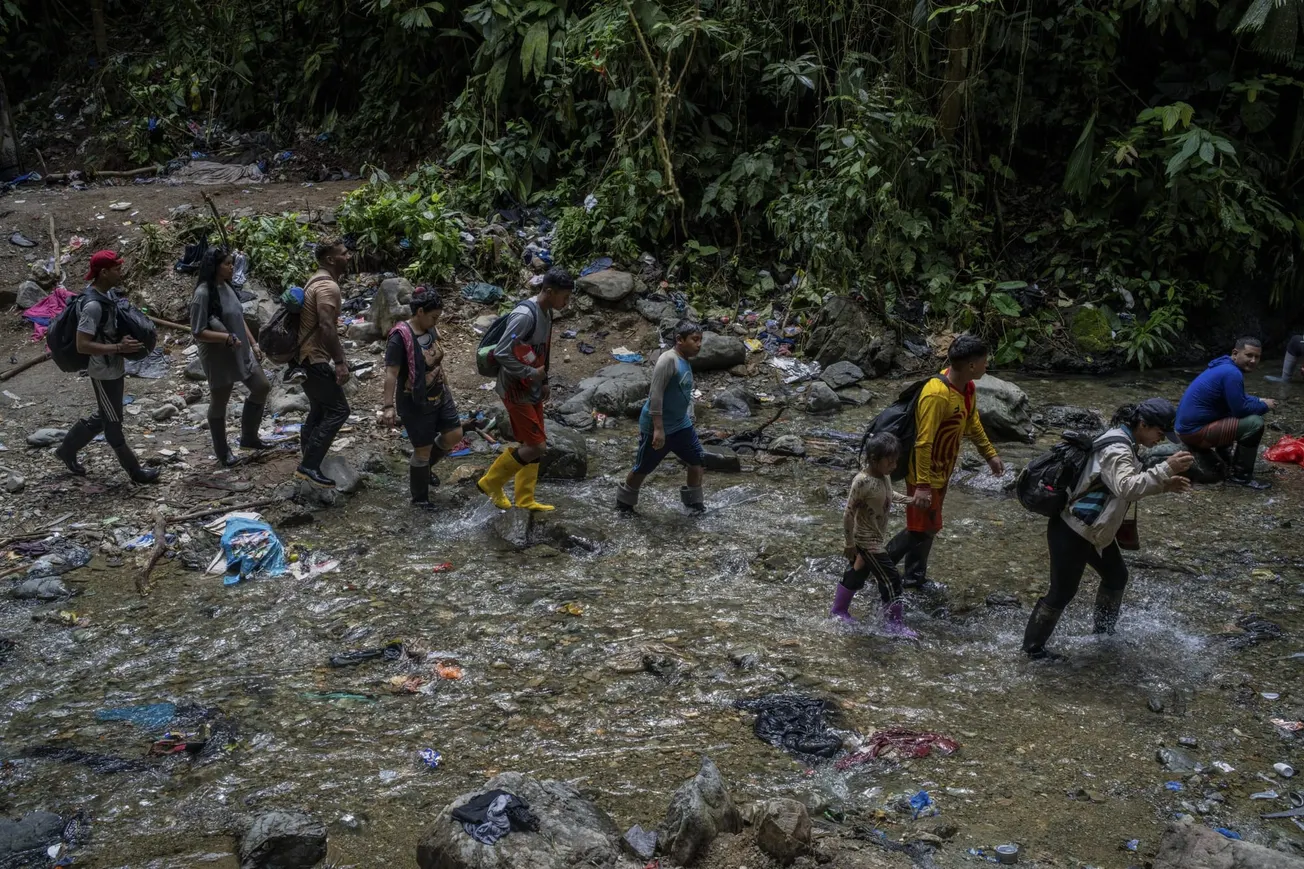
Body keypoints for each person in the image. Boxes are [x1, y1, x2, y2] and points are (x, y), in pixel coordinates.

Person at [1022, 399, 1193, 660]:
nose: (1162, 440)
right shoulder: (1117, 448)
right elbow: (1127, 487)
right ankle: (1032, 650)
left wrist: (1164, 485)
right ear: (1143, 424)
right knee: (1062, 591)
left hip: (1093, 530)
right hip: (1074, 530)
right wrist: (1166, 468)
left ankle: (1103, 636)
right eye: (1160, 433)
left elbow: (1120, 487)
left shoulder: (1123, 440)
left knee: (1116, 577)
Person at [886, 334, 1004, 588]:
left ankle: (914, 577)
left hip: (943, 471)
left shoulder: (967, 387)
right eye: (984, 362)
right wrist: (922, 485)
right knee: (921, 528)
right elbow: (923, 442)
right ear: (971, 366)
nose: (987, 366)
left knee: (928, 527)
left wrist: (990, 455)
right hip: (924, 473)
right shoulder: (937, 395)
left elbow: (972, 422)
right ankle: (878, 564)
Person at [54, 250, 159, 484]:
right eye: (117, 269)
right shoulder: (92, 306)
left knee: (106, 415)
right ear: (104, 272)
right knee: (113, 424)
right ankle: (135, 472)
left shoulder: (107, 294)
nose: (121, 273)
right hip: (102, 371)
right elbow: (83, 345)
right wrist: (119, 348)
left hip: (114, 367)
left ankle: (66, 450)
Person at [477, 267, 574, 512]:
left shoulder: (548, 312)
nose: (568, 301)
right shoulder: (525, 315)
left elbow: (543, 349)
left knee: (533, 440)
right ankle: (491, 482)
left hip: (531, 386)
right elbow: (501, 352)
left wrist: (543, 381)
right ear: (549, 291)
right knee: (537, 445)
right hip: (514, 388)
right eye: (565, 296)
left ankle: (525, 499)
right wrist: (531, 374)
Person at [380, 287, 463, 507]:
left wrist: (446, 387)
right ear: (420, 312)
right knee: (422, 450)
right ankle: (420, 499)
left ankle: (425, 470)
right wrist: (388, 407)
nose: (436, 322)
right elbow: (391, 373)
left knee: (454, 434)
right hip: (415, 401)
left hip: (439, 392)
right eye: (434, 317)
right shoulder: (400, 338)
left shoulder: (430, 329)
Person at [189, 247, 271, 467]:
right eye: (227, 263)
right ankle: (222, 451)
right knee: (220, 401)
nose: (231, 267)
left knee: (261, 386)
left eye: (231, 263)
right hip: (218, 354)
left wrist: (254, 343)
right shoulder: (203, 294)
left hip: (240, 348)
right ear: (215, 267)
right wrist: (224, 338)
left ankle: (249, 438)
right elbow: (198, 331)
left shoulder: (228, 286)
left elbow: (238, 316)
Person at [832, 432, 918, 637]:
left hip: (876, 537)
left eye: (896, 461)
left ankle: (838, 611)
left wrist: (910, 500)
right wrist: (849, 543)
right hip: (865, 539)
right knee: (891, 578)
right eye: (890, 462)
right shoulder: (861, 481)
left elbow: (888, 494)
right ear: (873, 459)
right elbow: (848, 513)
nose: (894, 466)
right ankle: (894, 625)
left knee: (858, 572)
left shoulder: (884, 476)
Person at [615, 320, 706, 514]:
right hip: (658, 425)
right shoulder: (668, 360)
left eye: (700, 340)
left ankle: (694, 505)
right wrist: (658, 428)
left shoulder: (685, 360)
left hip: (681, 424)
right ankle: (624, 504)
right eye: (695, 340)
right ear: (679, 340)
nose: (699, 344)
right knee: (643, 467)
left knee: (696, 460)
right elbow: (655, 395)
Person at [1174, 337, 1277, 490]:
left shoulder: (1224, 365)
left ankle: (1225, 459)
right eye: (1249, 355)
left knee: (1237, 414)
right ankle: (1241, 477)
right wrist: (1264, 405)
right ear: (1235, 353)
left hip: (1185, 428)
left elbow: (1236, 399)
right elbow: (1240, 409)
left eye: (1257, 357)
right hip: (1193, 433)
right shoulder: (1232, 373)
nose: (1253, 361)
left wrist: (1257, 400)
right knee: (1255, 423)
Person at [294, 239, 352, 488]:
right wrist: (340, 362)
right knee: (339, 410)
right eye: (344, 253)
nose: (348, 256)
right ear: (331, 259)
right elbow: (327, 326)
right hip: (314, 357)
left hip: (302, 358)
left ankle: (309, 454)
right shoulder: (328, 287)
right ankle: (309, 465)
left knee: (320, 407)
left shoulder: (315, 280)